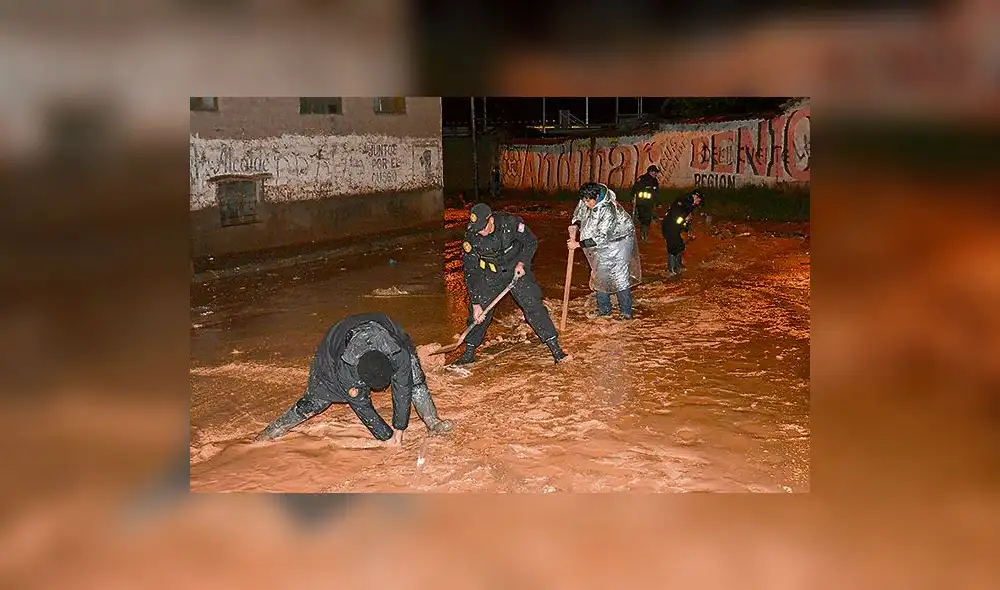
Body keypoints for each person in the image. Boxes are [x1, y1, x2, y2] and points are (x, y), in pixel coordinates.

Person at [256, 313, 453, 444]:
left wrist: (399, 428)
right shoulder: (345, 368)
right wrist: (386, 437)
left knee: (415, 379)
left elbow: (403, 387)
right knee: (315, 402)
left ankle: (433, 422)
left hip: (383, 329)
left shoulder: (396, 353)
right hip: (336, 344)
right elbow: (361, 404)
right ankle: (271, 432)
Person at [455, 202, 569, 365]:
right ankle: (469, 352)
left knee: (533, 306)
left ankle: (555, 348)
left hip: (516, 269)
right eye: (477, 228)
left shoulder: (510, 223)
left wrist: (523, 263)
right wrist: (475, 302)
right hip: (491, 274)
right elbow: (471, 270)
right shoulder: (471, 237)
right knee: (479, 314)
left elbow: (531, 242)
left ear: (491, 220)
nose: (480, 232)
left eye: (483, 227)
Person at [567, 182, 642, 319]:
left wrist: (578, 244)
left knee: (619, 277)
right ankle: (604, 311)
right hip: (599, 240)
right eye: (584, 200)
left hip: (619, 240)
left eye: (588, 201)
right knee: (600, 274)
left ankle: (626, 313)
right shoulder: (586, 198)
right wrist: (575, 226)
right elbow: (580, 214)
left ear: (596, 196)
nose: (586, 203)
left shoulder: (608, 209)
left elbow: (602, 236)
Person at [662, 190, 704, 275]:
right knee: (673, 247)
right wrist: (685, 218)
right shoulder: (681, 202)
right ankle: (671, 269)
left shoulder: (690, 204)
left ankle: (678, 265)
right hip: (669, 226)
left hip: (676, 227)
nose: (699, 202)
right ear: (695, 196)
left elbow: (686, 220)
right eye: (699, 200)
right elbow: (676, 216)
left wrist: (687, 230)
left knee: (680, 245)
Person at [630, 165, 662, 241]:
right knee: (644, 217)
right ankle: (643, 233)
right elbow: (634, 189)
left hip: (650, 203)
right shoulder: (642, 179)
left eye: (656, 172)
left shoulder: (655, 181)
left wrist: (658, 203)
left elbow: (656, 193)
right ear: (650, 171)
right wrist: (632, 198)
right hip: (642, 202)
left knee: (647, 218)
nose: (656, 174)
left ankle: (644, 230)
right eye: (655, 172)